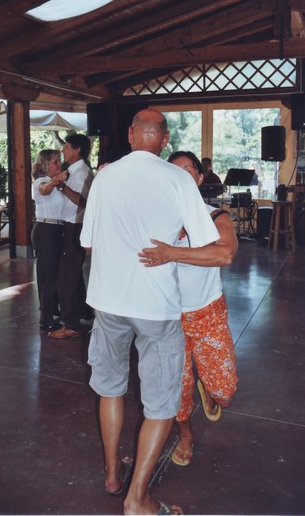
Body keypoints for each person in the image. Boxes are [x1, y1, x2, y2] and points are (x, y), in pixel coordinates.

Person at [80, 110, 220, 515]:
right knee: (160, 403)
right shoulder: (177, 178)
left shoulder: (104, 177)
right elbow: (207, 243)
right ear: (164, 139)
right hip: (155, 305)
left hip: (108, 301)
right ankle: (137, 498)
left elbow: (88, 244)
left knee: (110, 388)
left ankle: (113, 475)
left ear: (130, 135)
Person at [139, 150, 239, 468]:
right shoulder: (154, 220)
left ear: (199, 177)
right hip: (168, 318)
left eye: (187, 169)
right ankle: (186, 436)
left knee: (225, 389)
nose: (181, 176)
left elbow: (225, 254)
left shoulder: (215, 216)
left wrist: (171, 253)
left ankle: (209, 389)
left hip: (208, 313)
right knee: (176, 390)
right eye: (173, 171)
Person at [49, 134, 94, 340]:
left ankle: (71, 324)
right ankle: (82, 312)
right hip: (71, 226)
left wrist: (62, 187)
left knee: (66, 278)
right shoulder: (73, 172)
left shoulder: (81, 173)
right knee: (73, 275)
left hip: (76, 227)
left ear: (77, 151)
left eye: (66, 147)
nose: (63, 151)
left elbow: (84, 201)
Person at [31, 149, 68, 331]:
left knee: (54, 273)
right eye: (55, 162)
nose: (59, 164)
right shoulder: (40, 182)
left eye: (59, 161)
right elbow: (44, 190)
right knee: (48, 275)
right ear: (45, 164)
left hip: (56, 229)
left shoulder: (57, 184)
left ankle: (52, 311)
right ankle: (46, 318)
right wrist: (55, 181)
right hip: (46, 230)